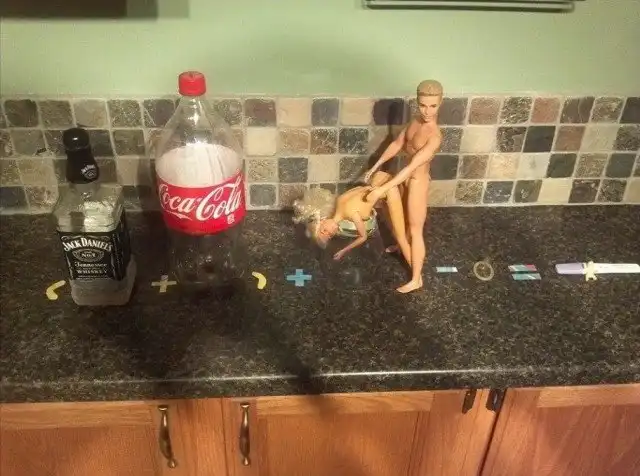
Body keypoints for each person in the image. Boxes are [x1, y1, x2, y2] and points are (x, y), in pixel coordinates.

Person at [363, 80, 443, 293]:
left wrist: (382, 189)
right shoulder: (415, 122)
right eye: (423, 105)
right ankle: (400, 245)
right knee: (402, 218)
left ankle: (417, 278)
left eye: (433, 106)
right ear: (417, 102)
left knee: (415, 230)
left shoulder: (435, 137)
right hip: (405, 179)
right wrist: (376, 166)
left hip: (417, 182)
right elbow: (397, 144)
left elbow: (411, 167)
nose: (427, 111)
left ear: (440, 103)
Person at [292, 171, 411, 264]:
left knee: (401, 236)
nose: (330, 232)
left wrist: (344, 251)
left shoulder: (351, 214)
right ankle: (399, 246)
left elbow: (363, 237)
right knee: (393, 223)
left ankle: (416, 277)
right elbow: (362, 189)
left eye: (324, 231)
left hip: (389, 190)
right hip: (380, 179)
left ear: (322, 220)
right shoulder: (340, 200)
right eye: (329, 236)